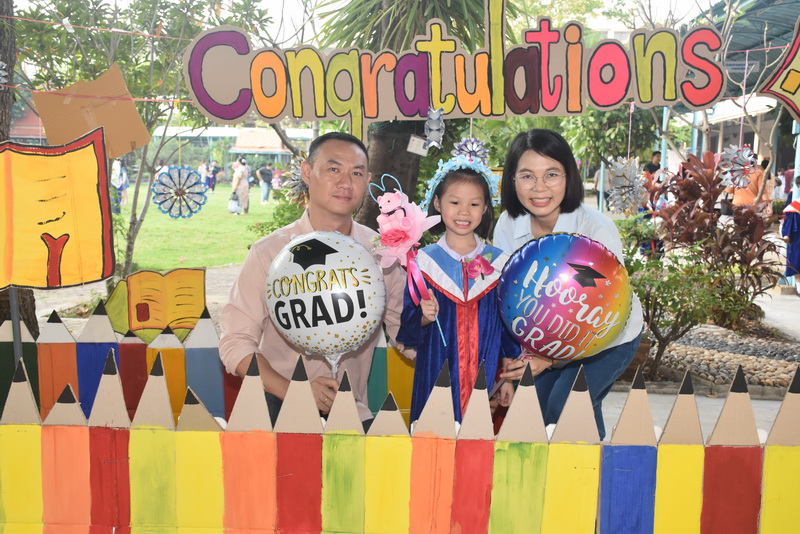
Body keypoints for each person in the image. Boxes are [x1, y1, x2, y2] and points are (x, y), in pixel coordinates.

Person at [219, 132, 405, 426]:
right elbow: (235, 342)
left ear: (368, 180)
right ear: (307, 172)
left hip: (351, 414)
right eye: (333, 169)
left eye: (356, 173)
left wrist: (433, 315)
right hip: (277, 409)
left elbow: (408, 337)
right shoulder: (270, 253)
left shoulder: (382, 255)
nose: (345, 183)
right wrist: (297, 392)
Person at [493, 129, 644, 440]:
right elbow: (507, 298)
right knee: (535, 414)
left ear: (568, 176)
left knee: (565, 408)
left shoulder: (595, 229)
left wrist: (549, 358)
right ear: (512, 180)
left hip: (606, 336)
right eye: (527, 176)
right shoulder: (508, 224)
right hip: (542, 338)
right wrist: (514, 359)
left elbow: (608, 311)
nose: (539, 187)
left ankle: (588, 468)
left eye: (551, 174)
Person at [397, 156, 518, 423]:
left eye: (474, 204)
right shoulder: (422, 263)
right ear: (438, 203)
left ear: (485, 208)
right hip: (436, 375)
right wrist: (423, 317)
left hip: (486, 374)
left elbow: (507, 328)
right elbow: (407, 328)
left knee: (478, 440)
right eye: (454, 202)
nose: (464, 212)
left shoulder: (499, 263)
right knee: (435, 439)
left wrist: (507, 378)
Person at [782, 175, 800, 296]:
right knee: (797, 262)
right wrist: (786, 235)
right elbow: (789, 223)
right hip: (798, 238)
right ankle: (799, 288)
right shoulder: (794, 207)